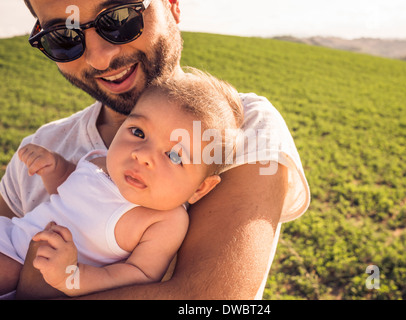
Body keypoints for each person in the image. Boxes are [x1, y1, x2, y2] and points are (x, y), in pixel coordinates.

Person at [0, 0, 310, 299]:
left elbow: (208, 300)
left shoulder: (240, 129)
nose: (99, 58)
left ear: (172, 4)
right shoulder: (42, 145)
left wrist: (48, 279)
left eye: (120, 17)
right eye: (63, 36)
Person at [0, 70, 244, 298]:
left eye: (175, 156)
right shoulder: (100, 161)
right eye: (138, 132)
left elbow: (140, 274)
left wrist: (74, 276)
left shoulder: (165, 221)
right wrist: (54, 168)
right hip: (13, 237)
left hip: (29, 265)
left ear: (200, 188)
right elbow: (69, 193)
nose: (142, 155)